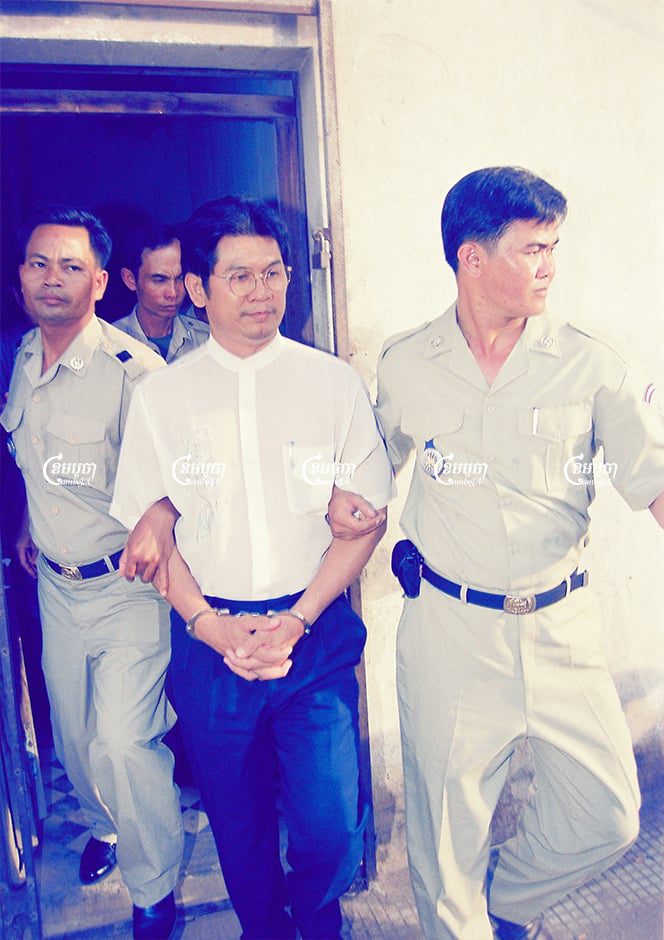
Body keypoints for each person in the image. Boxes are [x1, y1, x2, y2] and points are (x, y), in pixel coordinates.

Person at [329, 166, 664, 940]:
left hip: (562, 628)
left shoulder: (594, 364)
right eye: (533, 249)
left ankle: (506, 901)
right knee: (445, 838)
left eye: (554, 247)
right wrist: (348, 501)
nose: (550, 265)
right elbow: (376, 469)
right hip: (451, 631)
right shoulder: (409, 363)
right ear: (471, 259)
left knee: (608, 816)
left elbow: (653, 481)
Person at [110, 195, 393, 940]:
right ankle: (264, 929)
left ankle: (317, 911)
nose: (263, 291)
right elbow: (150, 528)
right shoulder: (162, 398)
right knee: (237, 831)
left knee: (330, 821)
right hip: (212, 645)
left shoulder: (332, 384)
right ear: (199, 288)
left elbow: (364, 524)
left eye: (273, 273)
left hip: (313, 633)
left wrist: (297, 618)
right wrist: (208, 625)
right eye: (239, 276)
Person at [0, 206, 184, 940]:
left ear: (102, 281)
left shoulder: (135, 374)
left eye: (71, 266)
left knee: (121, 741)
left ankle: (154, 886)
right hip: (55, 588)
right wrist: (24, 527)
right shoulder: (18, 358)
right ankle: (109, 821)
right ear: (20, 276)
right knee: (75, 745)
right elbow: (33, 459)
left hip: (128, 589)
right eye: (39, 264)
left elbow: (182, 479)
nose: (52, 279)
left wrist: (161, 516)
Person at [114, 220, 209, 361]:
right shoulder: (110, 345)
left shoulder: (206, 340)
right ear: (130, 279)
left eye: (180, 278)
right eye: (159, 280)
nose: (173, 293)